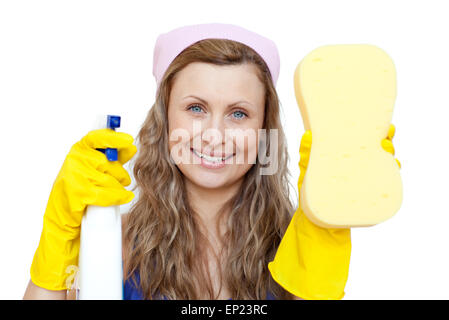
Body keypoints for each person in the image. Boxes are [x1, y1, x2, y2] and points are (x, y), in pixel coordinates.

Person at [23, 23, 399, 300]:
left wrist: (324, 225)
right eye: (196, 108)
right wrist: (60, 235)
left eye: (238, 114)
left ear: (264, 129)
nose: (214, 134)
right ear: (165, 118)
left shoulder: (296, 246)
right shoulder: (114, 242)